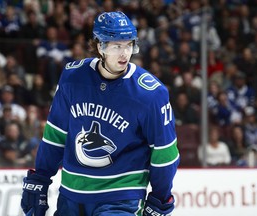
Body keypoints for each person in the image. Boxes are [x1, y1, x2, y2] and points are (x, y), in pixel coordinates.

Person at [21, 11, 180, 216]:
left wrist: (160, 197)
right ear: (99, 46)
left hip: (121, 199)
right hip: (71, 195)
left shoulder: (150, 94)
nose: (125, 54)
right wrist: (40, 178)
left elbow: (164, 153)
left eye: (129, 45)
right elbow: (55, 135)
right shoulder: (73, 78)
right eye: (116, 46)